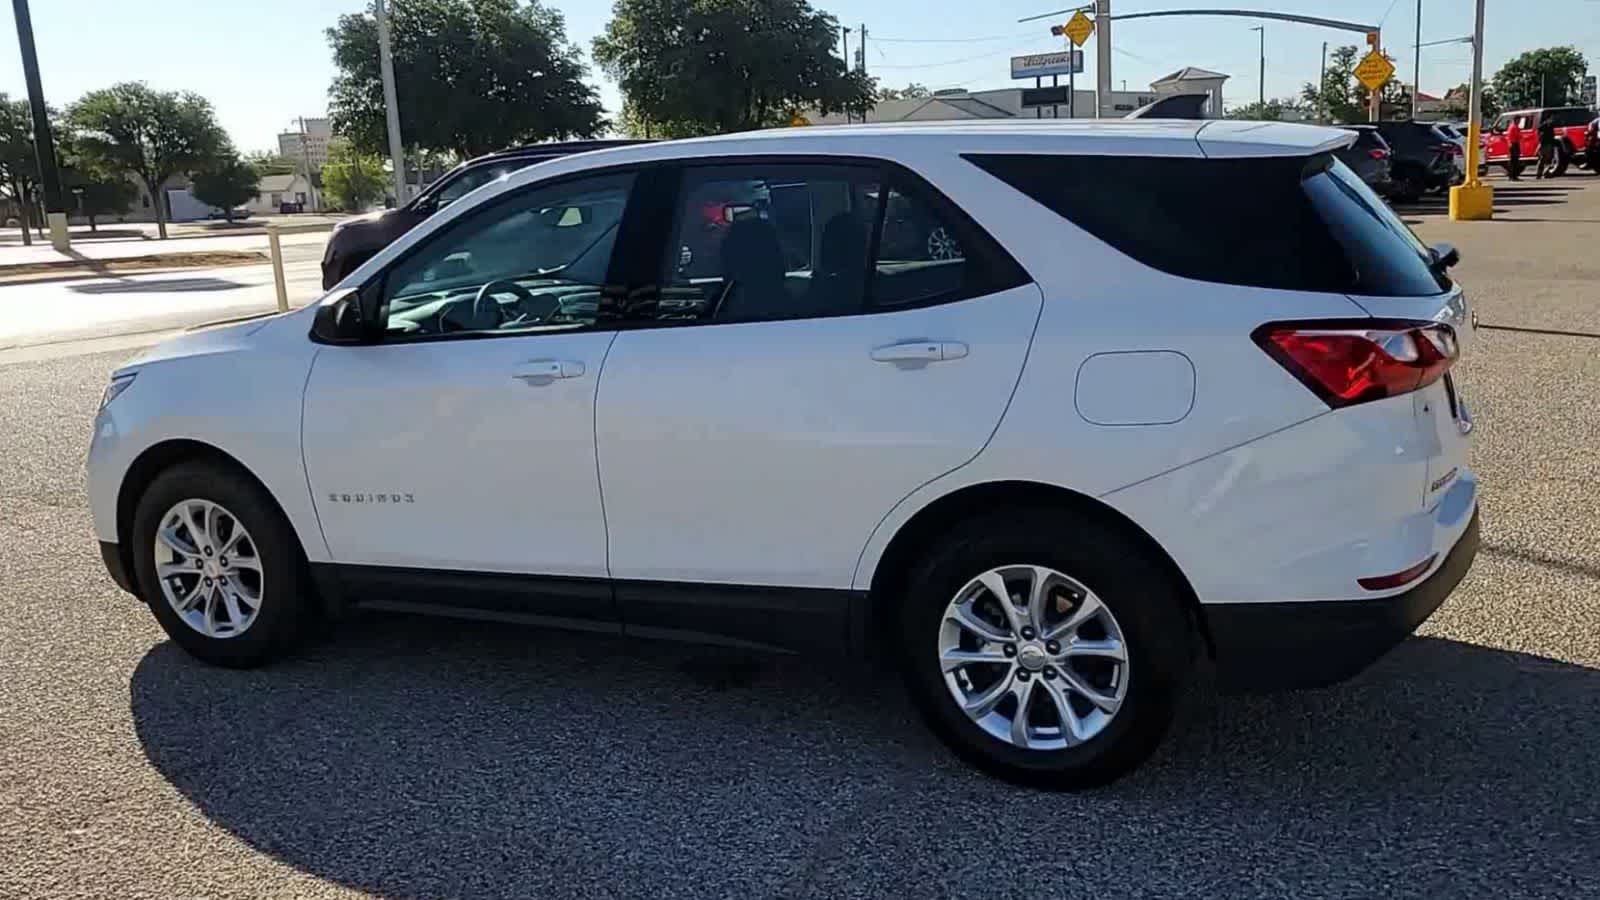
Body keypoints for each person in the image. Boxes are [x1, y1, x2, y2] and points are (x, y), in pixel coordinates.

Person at [1535, 115, 1557, 179]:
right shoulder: (1543, 125)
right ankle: (1539, 174)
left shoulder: (1551, 126)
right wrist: (1541, 138)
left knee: (1549, 159)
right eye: (1551, 119)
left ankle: (1546, 173)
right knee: (1542, 159)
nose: (1552, 120)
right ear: (1548, 119)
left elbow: (1552, 134)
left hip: (1549, 143)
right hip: (1544, 144)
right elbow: (1538, 131)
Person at [1505, 115, 1523, 180]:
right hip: (1514, 144)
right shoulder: (1514, 127)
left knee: (1514, 161)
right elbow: (1517, 136)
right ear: (1516, 120)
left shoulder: (1513, 127)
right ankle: (1513, 176)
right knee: (1514, 161)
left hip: (1513, 144)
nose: (1519, 121)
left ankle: (1512, 176)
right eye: (1519, 120)